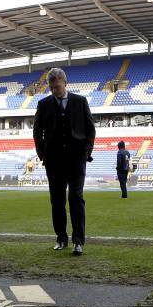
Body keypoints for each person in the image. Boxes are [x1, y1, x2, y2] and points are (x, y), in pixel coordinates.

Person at [33, 68, 95, 256]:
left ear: (65, 83)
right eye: (51, 88)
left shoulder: (80, 101)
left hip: (76, 159)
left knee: (76, 198)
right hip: (53, 161)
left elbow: (90, 129)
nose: (54, 91)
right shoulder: (43, 104)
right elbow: (37, 131)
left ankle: (78, 241)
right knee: (57, 201)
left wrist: (86, 152)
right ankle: (61, 238)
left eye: (57, 87)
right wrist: (42, 154)